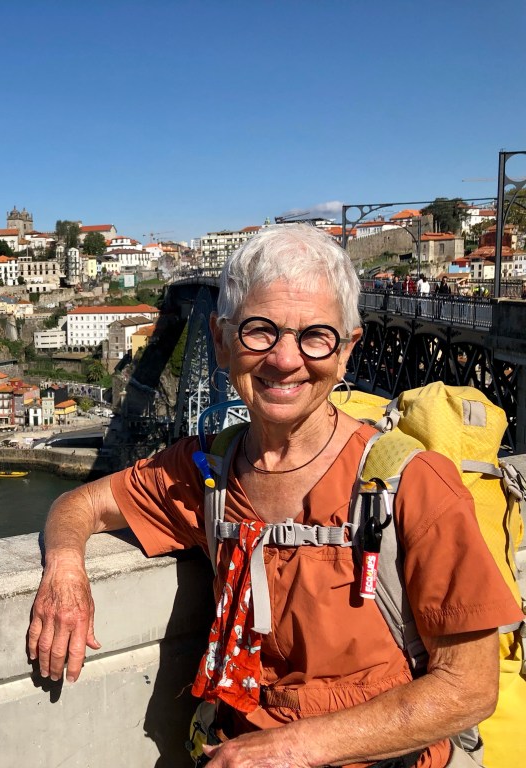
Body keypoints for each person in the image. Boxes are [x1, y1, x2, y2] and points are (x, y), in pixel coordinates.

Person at [26, 225, 522, 768]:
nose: (285, 360)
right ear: (220, 340)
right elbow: (81, 504)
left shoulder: (415, 484)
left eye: (316, 336)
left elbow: (469, 689)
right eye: (259, 331)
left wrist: (290, 748)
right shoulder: (203, 470)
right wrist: (65, 571)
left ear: (346, 351)